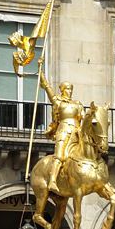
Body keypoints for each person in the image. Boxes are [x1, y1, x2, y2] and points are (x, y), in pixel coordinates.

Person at [39, 63, 86, 194]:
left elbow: (82, 117)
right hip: (63, 130)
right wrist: (41, 75)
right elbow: (48, 89)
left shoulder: (77, 104)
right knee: (60, 155)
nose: (70, 91)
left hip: (77, 132)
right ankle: (53, 180)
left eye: (71, 89)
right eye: (67, 89)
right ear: (62, 90)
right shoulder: (58, 102)